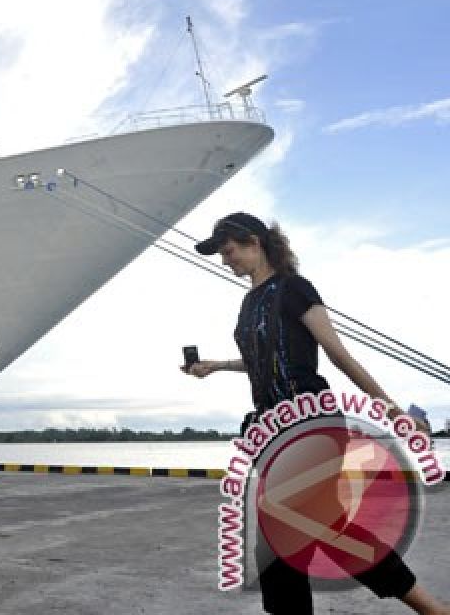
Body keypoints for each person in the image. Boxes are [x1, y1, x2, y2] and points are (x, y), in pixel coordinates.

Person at [183, 212, 447, 615]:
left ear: (254, 243)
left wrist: (391, 410)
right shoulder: (249, 301)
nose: (225, 260)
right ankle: (431, 608)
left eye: (229, 250)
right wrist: (216, 365)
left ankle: (431, 608)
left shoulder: (294, 289)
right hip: (272, 430)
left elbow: (337, 353)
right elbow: (263, 358)